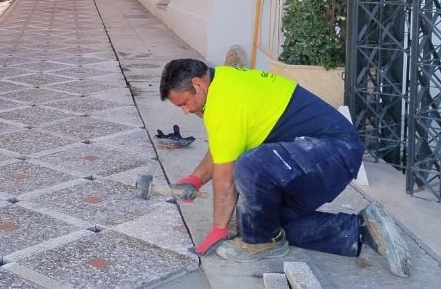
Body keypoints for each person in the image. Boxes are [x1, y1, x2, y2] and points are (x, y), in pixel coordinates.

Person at [158, 59, 411, 277]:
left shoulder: (224, 101)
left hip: (333, 151)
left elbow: (226, 175)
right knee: (261, 222)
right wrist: (195, 179)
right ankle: (362, 230)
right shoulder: (222, 82)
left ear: (198, 85)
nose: (186, 111)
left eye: (184, 103)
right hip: (316, 156)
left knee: (249, 166)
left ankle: (260, 244)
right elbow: (223, 147)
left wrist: (218, 230)